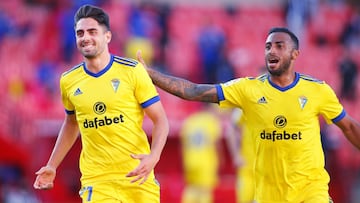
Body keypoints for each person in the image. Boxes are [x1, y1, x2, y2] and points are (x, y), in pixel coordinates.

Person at [137, 27, 360, 203]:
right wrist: (150, 75)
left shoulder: (317, 90)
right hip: (269, 194)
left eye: (279, 46)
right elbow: (194, 91)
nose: (271, 51)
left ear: (295, 54)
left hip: (311, 189)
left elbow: (348, 126)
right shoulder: (247, 89)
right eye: (268, 46)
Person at [33, 4, 169, 203]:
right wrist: (52, 165)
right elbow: (71, 123)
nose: (85, 37)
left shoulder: (132, 71)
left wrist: (153, 156)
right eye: (80, 33)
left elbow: (161, 120)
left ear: (107, 37)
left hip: (137, 178)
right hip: (97, 181)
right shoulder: (69, 80)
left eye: (92, 31)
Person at [179, 103, 225, 203]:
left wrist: (184, 161)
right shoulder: (211, 121)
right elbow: (217, 144)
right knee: (205, 190)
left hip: (190, 161)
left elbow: (182, 144)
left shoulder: (190, 120)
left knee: (192, 188)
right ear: (208, 108)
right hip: (206, 161)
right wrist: (221, 160)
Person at [225, 108, 255, 203]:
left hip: (267, 170)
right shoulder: (244, 106)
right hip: (247, 168)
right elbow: (230, 130)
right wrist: (236, 155)